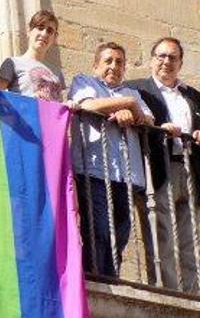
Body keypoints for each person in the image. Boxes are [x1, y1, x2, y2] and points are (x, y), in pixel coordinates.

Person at [126, 37, 200, 294]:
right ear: (152, 60)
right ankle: (169, 292)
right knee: (161, 234)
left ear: (180, 63)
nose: (166, 62)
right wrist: (157, 128)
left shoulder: (196, 97)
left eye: (173, 57)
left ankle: (193, 293)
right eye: (161, 56)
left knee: (190, 237)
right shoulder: (137, 90)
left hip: (190, 169)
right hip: (157, 169)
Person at [69, 42, 154, 277]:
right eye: (108, 61)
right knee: (99, 230)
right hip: (95, 170)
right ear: (96, 65)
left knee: (122, 230)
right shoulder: (84, 82)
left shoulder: (132, 93)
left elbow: (148, 120)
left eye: (119, 62)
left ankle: (109, 276)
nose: (114, 66)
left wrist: (130, 109)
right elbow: (88, 104)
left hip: (126, 174)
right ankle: (98, 279)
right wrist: (126, 105)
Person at [0, 10, 67, 101]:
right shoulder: (12, 63)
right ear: (29, 31)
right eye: (40, 28)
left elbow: (60, 105)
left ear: (54, 38)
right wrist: (29, 100)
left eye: (50, 31)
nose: (44, 34)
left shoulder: (57, 72)